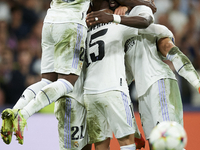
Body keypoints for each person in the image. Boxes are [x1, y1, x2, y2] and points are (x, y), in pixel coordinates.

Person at [86, 1, 200, 150]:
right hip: (142, 93)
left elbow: (168, 48)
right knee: (157, 145)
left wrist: (196, 82)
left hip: (159, 82)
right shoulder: (117, 30)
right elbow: (121, 88)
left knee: (170, 145)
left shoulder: (140, 11)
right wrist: (134, 131)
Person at [1, 0, 90, 145]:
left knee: (47, 81)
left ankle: (15, 111)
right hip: (72, 20)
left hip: (49, 20)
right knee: (68, 82)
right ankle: (24, 114)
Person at [83, 0, 158, 150]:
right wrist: (127, 10)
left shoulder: (87, 30)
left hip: (89, 92)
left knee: (100, 144)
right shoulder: (119, 25)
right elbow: (146, 21)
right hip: (113, 88)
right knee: (127, 142)